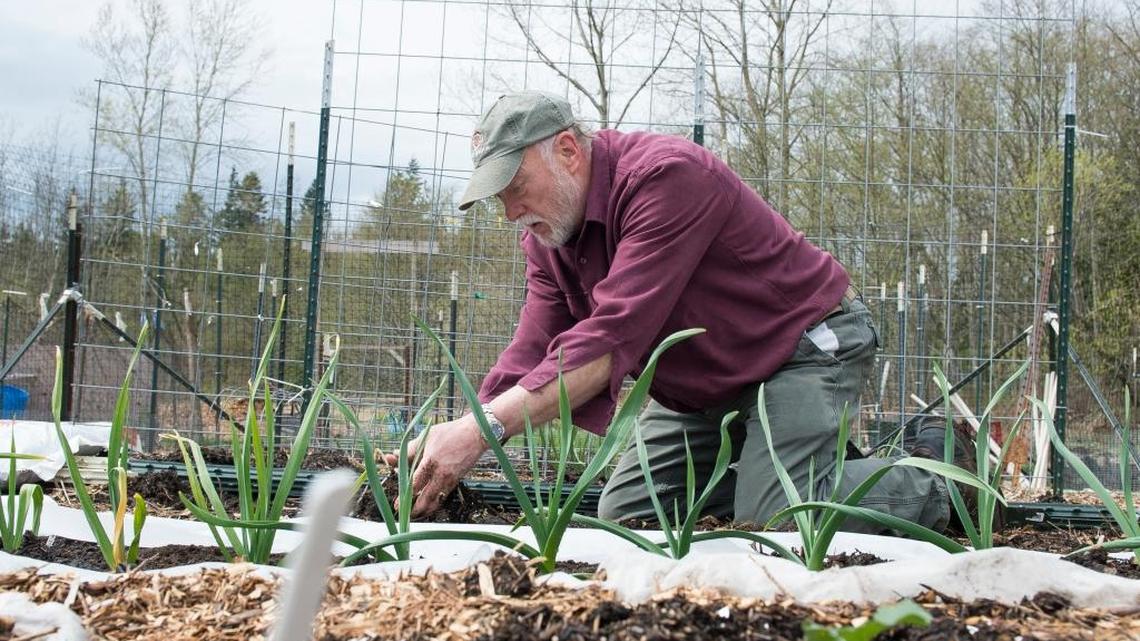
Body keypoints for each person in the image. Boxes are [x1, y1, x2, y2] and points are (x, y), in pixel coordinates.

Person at [389, 90, 949, 533]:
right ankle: (789, 469)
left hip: (799, 347)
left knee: (778, 520)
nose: (510, 210)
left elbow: (610, 342)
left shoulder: (667, 177)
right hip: (701, 380)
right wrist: (450, 440)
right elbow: (532, 350)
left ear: (567, 150)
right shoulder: (547, 238)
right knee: (628, 519)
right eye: (498, 195)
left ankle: (940, 477)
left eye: (515, 185)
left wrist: (482, 431)